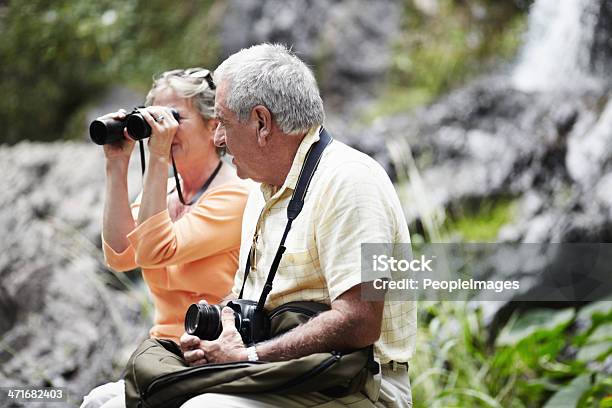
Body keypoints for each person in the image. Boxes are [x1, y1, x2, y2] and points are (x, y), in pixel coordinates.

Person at [179, 44, 416, 407]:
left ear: (261, 122)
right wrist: (222, 331)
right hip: (277, 372)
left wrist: (250, 357)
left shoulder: (350, 181)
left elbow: (359, 321)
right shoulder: (260, 190)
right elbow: (246, 295)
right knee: (106, 400)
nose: (218, 140)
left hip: (358, 385)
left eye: (223, 122)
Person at [80, 68, 251, 408]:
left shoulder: (236, 196)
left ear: (214, 126)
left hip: (210, 356)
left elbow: (157, 250)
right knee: (94, 401)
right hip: (162, 354)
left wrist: (157, 157)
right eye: (155, 119)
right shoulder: (167, 194)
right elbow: (120, 255)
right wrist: (117, 164)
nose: (163, 129)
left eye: (174, 118)